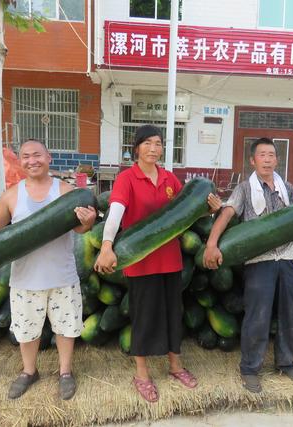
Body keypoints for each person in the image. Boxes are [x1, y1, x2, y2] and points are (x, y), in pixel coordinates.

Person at [0, 139, 97, 400]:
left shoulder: (66, 191)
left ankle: (65, 373)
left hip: (61, 275)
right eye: (26, 156)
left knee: (66, 327)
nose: (32, 161)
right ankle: (29, 372)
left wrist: (87, 224)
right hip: (24, 278)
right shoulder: (12, 194)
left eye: (37, 155)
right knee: (27, 330)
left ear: (49, 157)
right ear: (21, 161)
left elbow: (79, 229)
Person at [203, 137, 293, 393]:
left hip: (287, 260)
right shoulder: (245, 188)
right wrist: (212, 244)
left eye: (271, 155)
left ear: (277, 160)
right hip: (259, 262)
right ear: (252, 160)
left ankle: (287, 363)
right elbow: (227, 213)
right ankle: (250, 368)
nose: (267, 159)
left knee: (290, 315)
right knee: (257, 317)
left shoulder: (287, 188)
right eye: (262, 155)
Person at [94, 125, 222, 403]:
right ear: (136, 148)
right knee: (144, 318)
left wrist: (209, 209)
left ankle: (176, 366)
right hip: (140, 261)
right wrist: (106, 245)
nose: (154, 148)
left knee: (172, 316)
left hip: (170, 261)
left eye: (158, 143)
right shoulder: (127, 178)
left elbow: (188, 213)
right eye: (148, 143)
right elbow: (115, 213)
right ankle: (142, 374)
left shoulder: (169, 179)